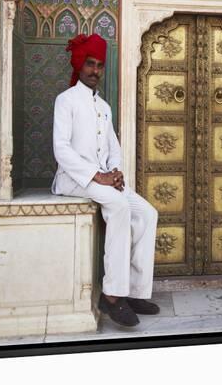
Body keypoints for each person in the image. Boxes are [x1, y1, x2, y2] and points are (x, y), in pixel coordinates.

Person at [51, 33, 160, 327]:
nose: (95, 71)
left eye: (99, 65)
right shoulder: (66, 101)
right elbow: (60, 148)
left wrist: (116, 171)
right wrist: (97, 175)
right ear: (79, 64)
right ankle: (112, 296)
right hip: (74, 179)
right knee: (119, 206)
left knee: (148, 213)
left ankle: (135, 291)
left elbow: (113, 146)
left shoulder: (104, 107)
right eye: (90, 64)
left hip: (101, 180)